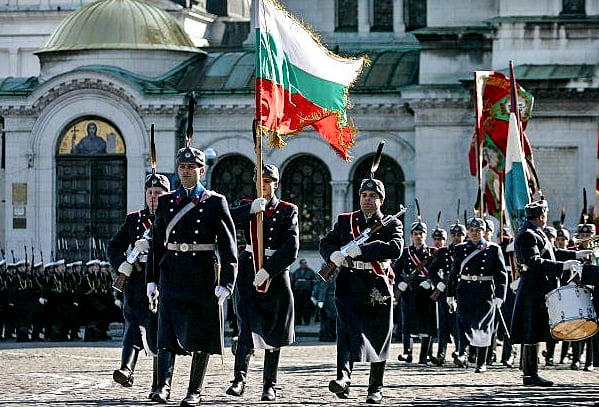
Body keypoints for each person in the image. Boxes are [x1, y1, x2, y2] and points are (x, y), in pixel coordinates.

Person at [146, 144, 237, 406]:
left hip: (203, 275)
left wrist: (227, 283)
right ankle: (162, 387)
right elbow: (156, 245)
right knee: (166, 333)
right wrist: (151, 279)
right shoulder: (165, 201)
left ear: (202, 169)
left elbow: (229, 245)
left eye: (191, 167)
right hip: (172, 273)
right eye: (182, 167)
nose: (186, 172)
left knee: (201, 335)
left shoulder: (215, 202)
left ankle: (194, 391)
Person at [320, 178, 403, 404]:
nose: (368, 199)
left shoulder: (390, 223)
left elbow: (396, 249)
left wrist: (363, 250)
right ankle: (343, 378)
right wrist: (332, 255)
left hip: (377, 285)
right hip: (350, 283)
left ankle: (375, 387)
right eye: (364, 195)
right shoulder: (345, 221)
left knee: (378, 335)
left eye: (373, 196)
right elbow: (326, 242)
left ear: (381, 200)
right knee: (346, 332)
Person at [226, 164, 299, 401]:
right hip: (249, 270)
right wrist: (248, 211)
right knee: (245, 326)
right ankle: (239, 379)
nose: (264, 185)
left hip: (275, 274)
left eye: (268, 181)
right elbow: (225, 221)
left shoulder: (288, 210)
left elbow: (291, 248)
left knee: (274, 330)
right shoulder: (248, 205)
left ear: (276, 184)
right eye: (260, 180)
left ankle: (270, 384)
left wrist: (268, 269)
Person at [511, 199, 592, 386]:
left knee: (536, 329)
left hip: (540, 288)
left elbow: (552, 252)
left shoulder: (536, 232)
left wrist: (574, 255)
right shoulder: (527, 235)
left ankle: (531, 373)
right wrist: (563, 266)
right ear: (541, 216)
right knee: (531, 330)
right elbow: (535, 261)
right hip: (533, 289)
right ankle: (529, 375)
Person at [107, 172, 170, 395]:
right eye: (150, 193)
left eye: (158, 193)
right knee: (132, 324)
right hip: (136, 281)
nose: (153, 197)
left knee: (158, 332)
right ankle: (126, 369)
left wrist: (153, 245)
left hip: (162, 282)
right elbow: (114, 246)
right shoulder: (134, 220)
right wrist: (121, 264)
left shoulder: (172, 217)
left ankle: (159, 384)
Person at [446, 217, 507, 373]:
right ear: (467, 231)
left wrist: (500, 296)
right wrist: (450, 295)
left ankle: (481, 362)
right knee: (463, 324)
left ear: (484, 232)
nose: (475, 233)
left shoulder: (493, 249)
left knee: (483, 328)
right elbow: (453, 274)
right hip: (465, 291)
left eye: (478, 230)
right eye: (472, 230)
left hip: (485, 292)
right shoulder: (460, 249)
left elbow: (501, 274)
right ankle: (463, 354)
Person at [394, 217, 437, 365]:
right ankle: (407, 353)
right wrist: (400, 284)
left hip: (426, 293)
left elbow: (438, 271)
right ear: (411, 235)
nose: (418, 236)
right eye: (416, 233)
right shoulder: (405, 253)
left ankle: (424, 356)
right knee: (408, 323)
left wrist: (431, 282)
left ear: (425, 235)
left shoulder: (432, 253)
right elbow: (395, 271)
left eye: (421, 233)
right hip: (410, 292)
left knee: (426, 324)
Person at [290, 258, 318, 325]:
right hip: (298, 292)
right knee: (298, 307)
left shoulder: (310, 272)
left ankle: (306, 321)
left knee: (307, 307)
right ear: (300, 264)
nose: (303, 265)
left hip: (307, 292)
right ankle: (298, 321)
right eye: (302, 263)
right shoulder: (296, 272)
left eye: (305, 263)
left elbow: (314, 281)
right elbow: (292, 282)